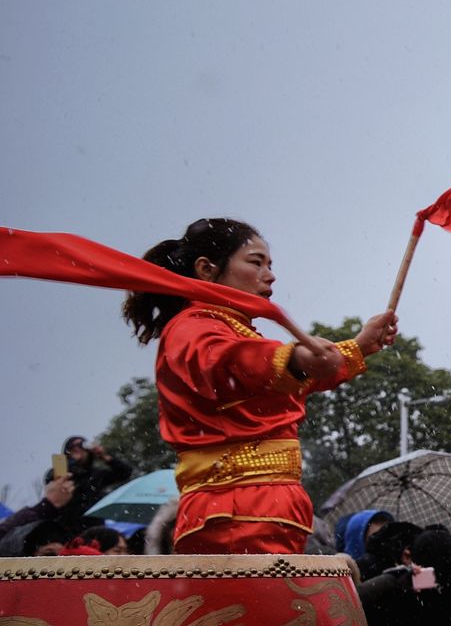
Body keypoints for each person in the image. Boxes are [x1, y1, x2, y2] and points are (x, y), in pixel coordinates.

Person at [120, 219, 397, 554]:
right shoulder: (192, 328)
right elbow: (232, 363)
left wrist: (358, 347)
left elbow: (279, 378)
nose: (270, 274)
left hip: (257, 506)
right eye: (255, 262)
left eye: (270, 264)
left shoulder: (233, 330)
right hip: (235, 510)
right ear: (207, 269)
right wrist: (294, 358)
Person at [50, 437, 132, 518]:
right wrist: (72, 462)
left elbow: (125, 472)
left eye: (80, 446)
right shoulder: (64, 475)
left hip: (94, 524)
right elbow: (49, 478)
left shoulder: (96, 475)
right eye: (73, 448)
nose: (77, 449)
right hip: (66, 525)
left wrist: (104, 457)